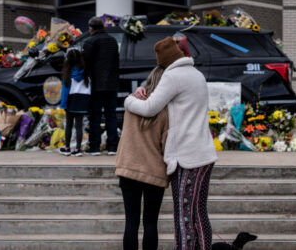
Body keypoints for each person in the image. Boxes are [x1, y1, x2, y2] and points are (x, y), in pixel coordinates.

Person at [124, 37, 218, 250]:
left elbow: (149, 108)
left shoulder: (173, 76)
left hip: (187, 157)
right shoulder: (196, 74)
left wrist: (129, 100)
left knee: (183, 216)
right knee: (199, 213)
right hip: (204, 153)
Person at [116, 66, 168, 250]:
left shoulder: (132, 102)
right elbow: (166, 145)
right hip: (154, 172)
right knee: (150, 223)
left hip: (128, 169)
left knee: (130, 222)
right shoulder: (165, 111)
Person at [82, 16, 120, 156]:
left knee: (95, 116)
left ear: (91, 28)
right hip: (112, 84)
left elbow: (85, 63)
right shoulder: (113, 40)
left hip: (96, 85)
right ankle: (112, 147)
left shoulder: (89, 41)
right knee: (111, 116)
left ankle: (95, 147)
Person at [59, 49, 91, 157]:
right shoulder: (86, 73)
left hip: (70, 101)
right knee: (79, 126)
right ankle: (78, 148)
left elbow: (64, 92)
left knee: (69, 125)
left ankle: (67, 147)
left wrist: (63, 104)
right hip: (82, 101)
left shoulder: (67, 74)